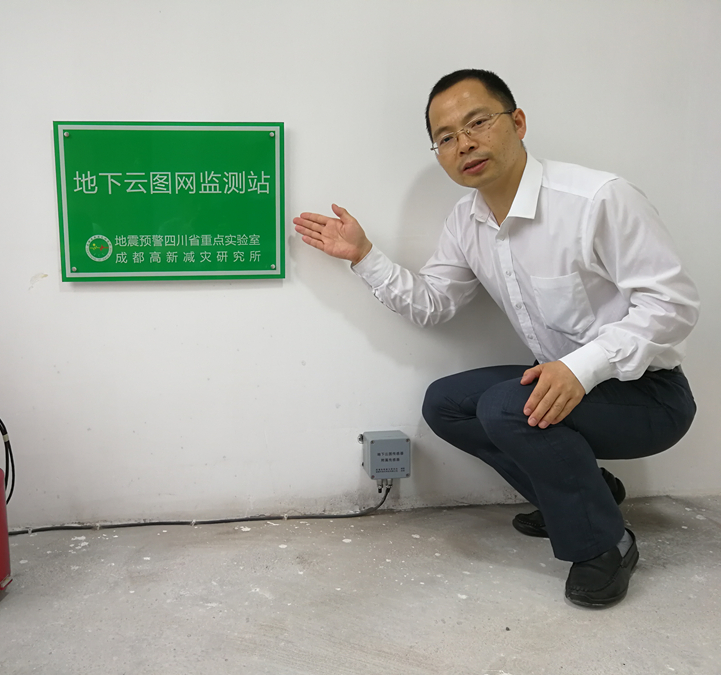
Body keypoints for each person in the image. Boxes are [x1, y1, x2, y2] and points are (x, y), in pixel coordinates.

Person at [293, 69, 698, 608]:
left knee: (507, 407)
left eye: (477, 122)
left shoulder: (597, 199)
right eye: (445, 137)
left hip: (648, 394)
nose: (464, 143)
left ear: (518, 122)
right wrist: (364, 256)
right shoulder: (467, 221)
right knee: (446, 403)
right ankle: (585, 497)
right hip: (560, 385)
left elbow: (673, 306)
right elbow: (434, 304)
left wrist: (582, 368)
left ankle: (603, 543)